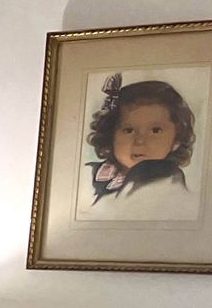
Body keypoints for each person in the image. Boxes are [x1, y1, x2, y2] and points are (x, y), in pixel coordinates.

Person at [85, 74, 198, 213]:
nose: (140, 141)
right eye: (129, 130)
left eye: (155, 130)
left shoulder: (172, 184)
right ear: (111, 134)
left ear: (176, 140)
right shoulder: (88, 176)